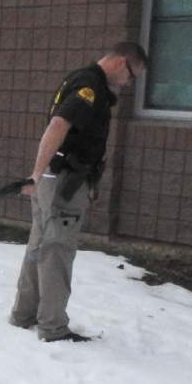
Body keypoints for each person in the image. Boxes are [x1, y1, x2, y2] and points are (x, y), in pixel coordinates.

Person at [9, 41, 149, 342]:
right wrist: (35, 174)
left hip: (55, 178)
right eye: (132, 75)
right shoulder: (90, 87)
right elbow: (57, 126)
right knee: (57, 250)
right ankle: (53, 327)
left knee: (40, 245)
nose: (130, 83)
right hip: (62, 182)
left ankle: (24, 314)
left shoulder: (80, 78)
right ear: (120, 61)